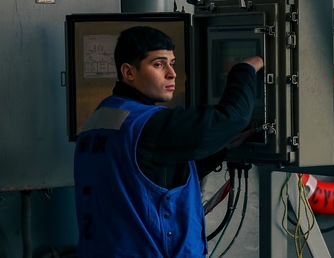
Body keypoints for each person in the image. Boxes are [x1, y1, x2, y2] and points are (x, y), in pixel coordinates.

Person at [73, 26, 263, 258]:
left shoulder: (102, 116)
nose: (172, 73)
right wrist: (244, 70)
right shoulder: (147, 124)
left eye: (172, 63)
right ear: (128, 72)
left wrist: (221, 148)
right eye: (158, 64)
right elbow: (233, 117)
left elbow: (149, 177)